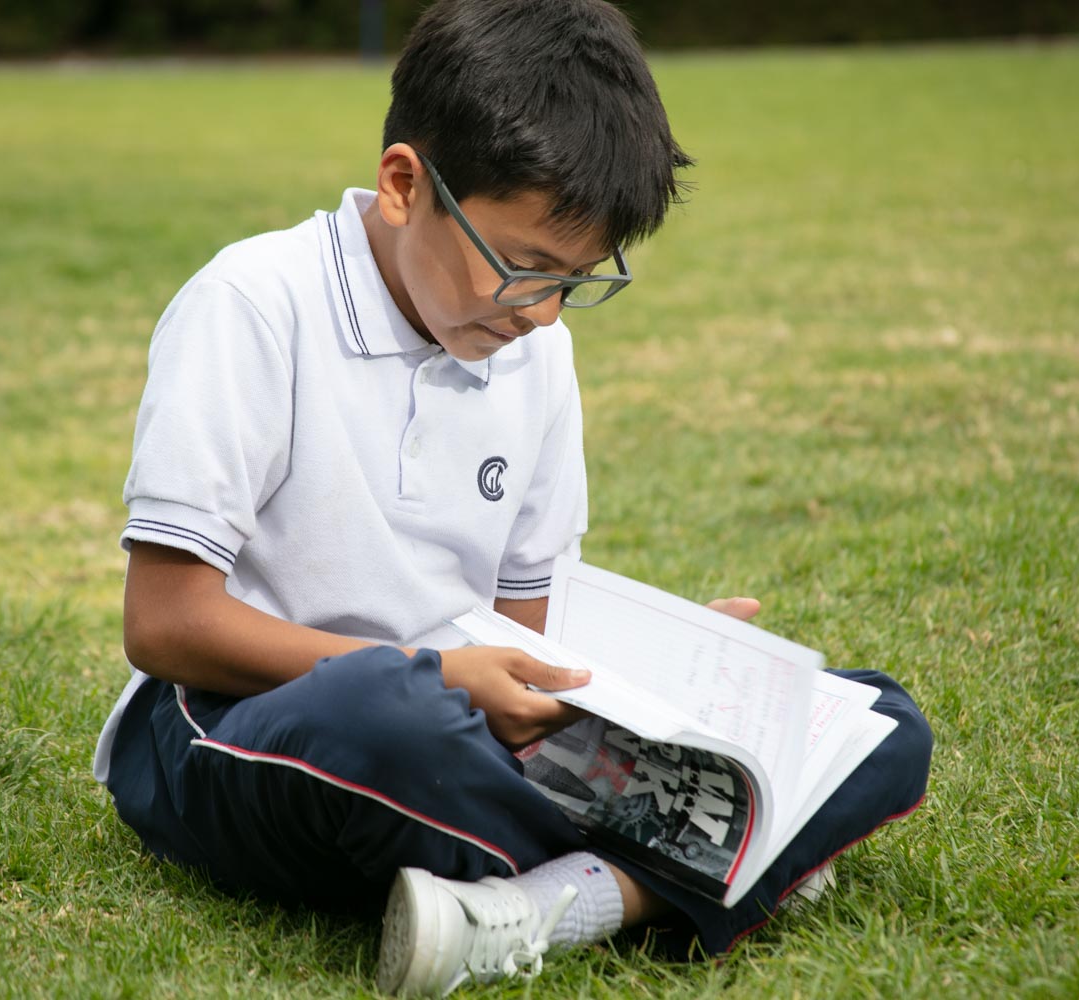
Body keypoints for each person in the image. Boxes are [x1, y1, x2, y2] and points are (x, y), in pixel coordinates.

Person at [92, 0, 933, 995]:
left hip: (462, 735)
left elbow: (525, 641)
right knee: (391, 712)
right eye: (521, 268)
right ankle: (727, 864)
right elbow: (165, 623)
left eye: (574, 282)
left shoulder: (537, 353)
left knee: (877, 721)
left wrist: (655, 688)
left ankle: (548, 904)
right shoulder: (253, 305)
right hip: (239, 730)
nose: (539, 314)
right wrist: (439, 672)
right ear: (406, 185)